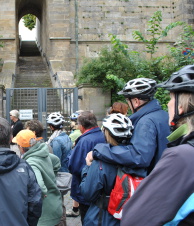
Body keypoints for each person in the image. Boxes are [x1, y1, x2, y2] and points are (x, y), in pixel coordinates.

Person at [121, 65, 194, 225]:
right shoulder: (160, 118)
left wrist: (104, 150)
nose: (167, 104)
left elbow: (134, 220)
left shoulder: (182, 155)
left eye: (171, 98)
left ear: (180, 107)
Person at [86, 78, 170, 176]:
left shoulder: (146, 122)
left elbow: (139, 156)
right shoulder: (164, 115)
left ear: (136, 101)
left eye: (127, 100)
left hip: (153, 182)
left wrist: (99, 151)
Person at [80, 113, 135, 226]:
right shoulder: (136, 158)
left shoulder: (101, 161)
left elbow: (87, 192)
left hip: (102, 217)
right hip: (129, 215)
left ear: (106, 133)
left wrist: (87, 168)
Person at [13, 130, 63, 226]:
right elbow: (56, 162)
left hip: (45, 214)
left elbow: (40, 185)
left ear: (21, 148)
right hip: (55, 205)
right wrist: (51, 176)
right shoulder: (43, 153)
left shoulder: (31, 162)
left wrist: (42, 192)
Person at [67, 111, 106, 223]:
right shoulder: (103, 135)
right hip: (101, 188)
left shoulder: (84, 140)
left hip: (86, 189)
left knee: (87, 219)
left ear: (81, 126)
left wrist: (71, 154)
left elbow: (73, 166)